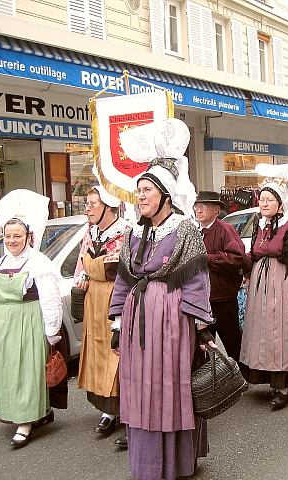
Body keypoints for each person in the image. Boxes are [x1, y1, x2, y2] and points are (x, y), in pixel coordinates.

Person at [110, 119, 215, 480]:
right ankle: (147, 463)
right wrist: (116, 321)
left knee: (171, 389)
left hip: (172, 323)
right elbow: (124, 279)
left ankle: (177, 462)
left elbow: (198, 281)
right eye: (138, 191)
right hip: (138, 323)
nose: (140, 197)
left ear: (165, 197)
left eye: (146, 191)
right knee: (140, 389)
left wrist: (202, 328)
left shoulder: (185, 230)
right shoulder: (134, 234)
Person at [0, 189, 63, 448]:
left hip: (29, 323)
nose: (12, 241)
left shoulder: (38, 263)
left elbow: (50, 298)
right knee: (8, 372)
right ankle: (21, 414)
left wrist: (51, 330)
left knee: (28, 372)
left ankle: (26, 422)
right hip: (5, 325)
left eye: (17, 236)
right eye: (8, 236)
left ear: (28, 236)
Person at [239, 162, 288, 410]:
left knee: (282, 332)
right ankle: (266, 377)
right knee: (262, 331)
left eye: (269, 200)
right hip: (261, 284)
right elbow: (253, 253)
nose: (264, 204)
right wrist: (247, 275)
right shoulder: (257, 223)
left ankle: (283, 385)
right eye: (262, 199)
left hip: (283, 282)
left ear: (280, 204)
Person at [74, 186, 130, 447]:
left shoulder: (126, 232)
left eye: (93, 204)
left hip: (116, 296)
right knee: (97, 350)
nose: (88, 208)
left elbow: (129, 270)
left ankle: (126, 411)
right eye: (87, 203)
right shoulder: (90, 232)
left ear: (109, 207)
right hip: (94, 299)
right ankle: (107, 410)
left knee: (117, 354)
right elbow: (81, 265)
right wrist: (83, 278)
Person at [194, 190, 248, 362]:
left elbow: (236, 258)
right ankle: (208, 383)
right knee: (203, 345)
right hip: (202, 300)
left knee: (233, 342)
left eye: (205, 207)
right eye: (197, 207)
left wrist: (207, 259)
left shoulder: (225, 229)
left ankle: (241, 378)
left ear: (216, 210)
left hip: (223, 299)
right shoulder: (196, 232)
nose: (199, 210)